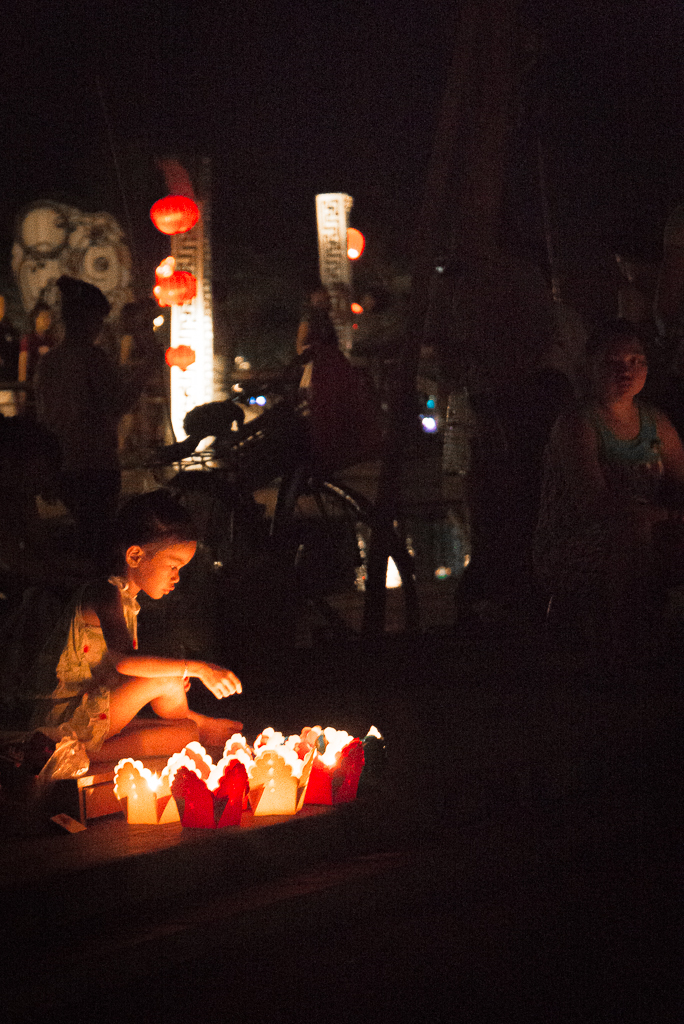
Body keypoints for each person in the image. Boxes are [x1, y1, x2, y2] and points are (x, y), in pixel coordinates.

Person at [12, 489, 242, 762]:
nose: (176, 577)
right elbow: (124, 662)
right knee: (169, 679)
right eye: (173, 566)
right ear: (134, 556)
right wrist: (198, 668)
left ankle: (75, 752)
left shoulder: (126, 600)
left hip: (89, 713)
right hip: (66, 717)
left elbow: (118, 674)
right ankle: (62, 753)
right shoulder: (105, 593)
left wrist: (174, 681)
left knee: (186, 733)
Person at [534, 319, 684, 657]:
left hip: (649, 528)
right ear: (589, 366)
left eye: (635, 360)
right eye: (613, 362)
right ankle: (626, 648)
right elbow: (594, 503)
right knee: (633, 531)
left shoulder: (656, 422)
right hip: (575, 541)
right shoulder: (577, 424)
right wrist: (659, 515)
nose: (626, 370)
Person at [33, 276, 143, 563]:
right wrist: (143, 373)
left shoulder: (48, 362)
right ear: (88, 319)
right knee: (100, 542)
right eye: (98, 318)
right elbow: (116, 404)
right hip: (96, 463)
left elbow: (44, 419)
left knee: (82, 537)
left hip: (63, 464)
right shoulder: (93, 359)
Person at [18, 301, 57, 389]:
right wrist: (22, 389)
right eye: (43, 317)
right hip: (32, 386)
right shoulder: (28, 340)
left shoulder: (52, 340)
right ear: (36, 319)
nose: (47, 321)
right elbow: (22, 366)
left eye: (49, 317)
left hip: (49, 386)